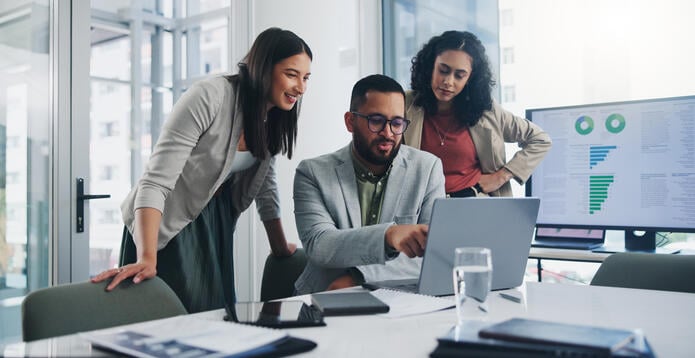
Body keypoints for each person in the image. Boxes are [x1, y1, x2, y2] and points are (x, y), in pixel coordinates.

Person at [91, 27, 312, 313]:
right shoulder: (211, 96)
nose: (301, 88)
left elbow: (264, 183)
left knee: (214, 316)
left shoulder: (272, 117)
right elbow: (155, 182)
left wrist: (280, 247)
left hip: (213, 219)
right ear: (263, 68)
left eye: (306, 78)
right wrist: (147, 256)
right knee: (177, 319)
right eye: (291, 74)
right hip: (166, 220)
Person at [293, 74, 446, 294]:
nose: (388, 133)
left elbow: (434, 253)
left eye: (397, 123)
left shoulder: (428, 168)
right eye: (376, 121)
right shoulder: (312, 173)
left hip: (400, 300)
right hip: (323, 297)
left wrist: (358, 276)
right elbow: (320, 245)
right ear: (350, 121)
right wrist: (389, 236)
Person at [404, 30, 551, 197]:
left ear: (470, 79)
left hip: (476, 205)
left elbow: (540, 140)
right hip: (421, 209)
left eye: (459, 75)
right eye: (443, 70)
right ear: (430, 67)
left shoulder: (487, 111)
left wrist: (501, 176)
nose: (448, 81)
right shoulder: (404, 104)